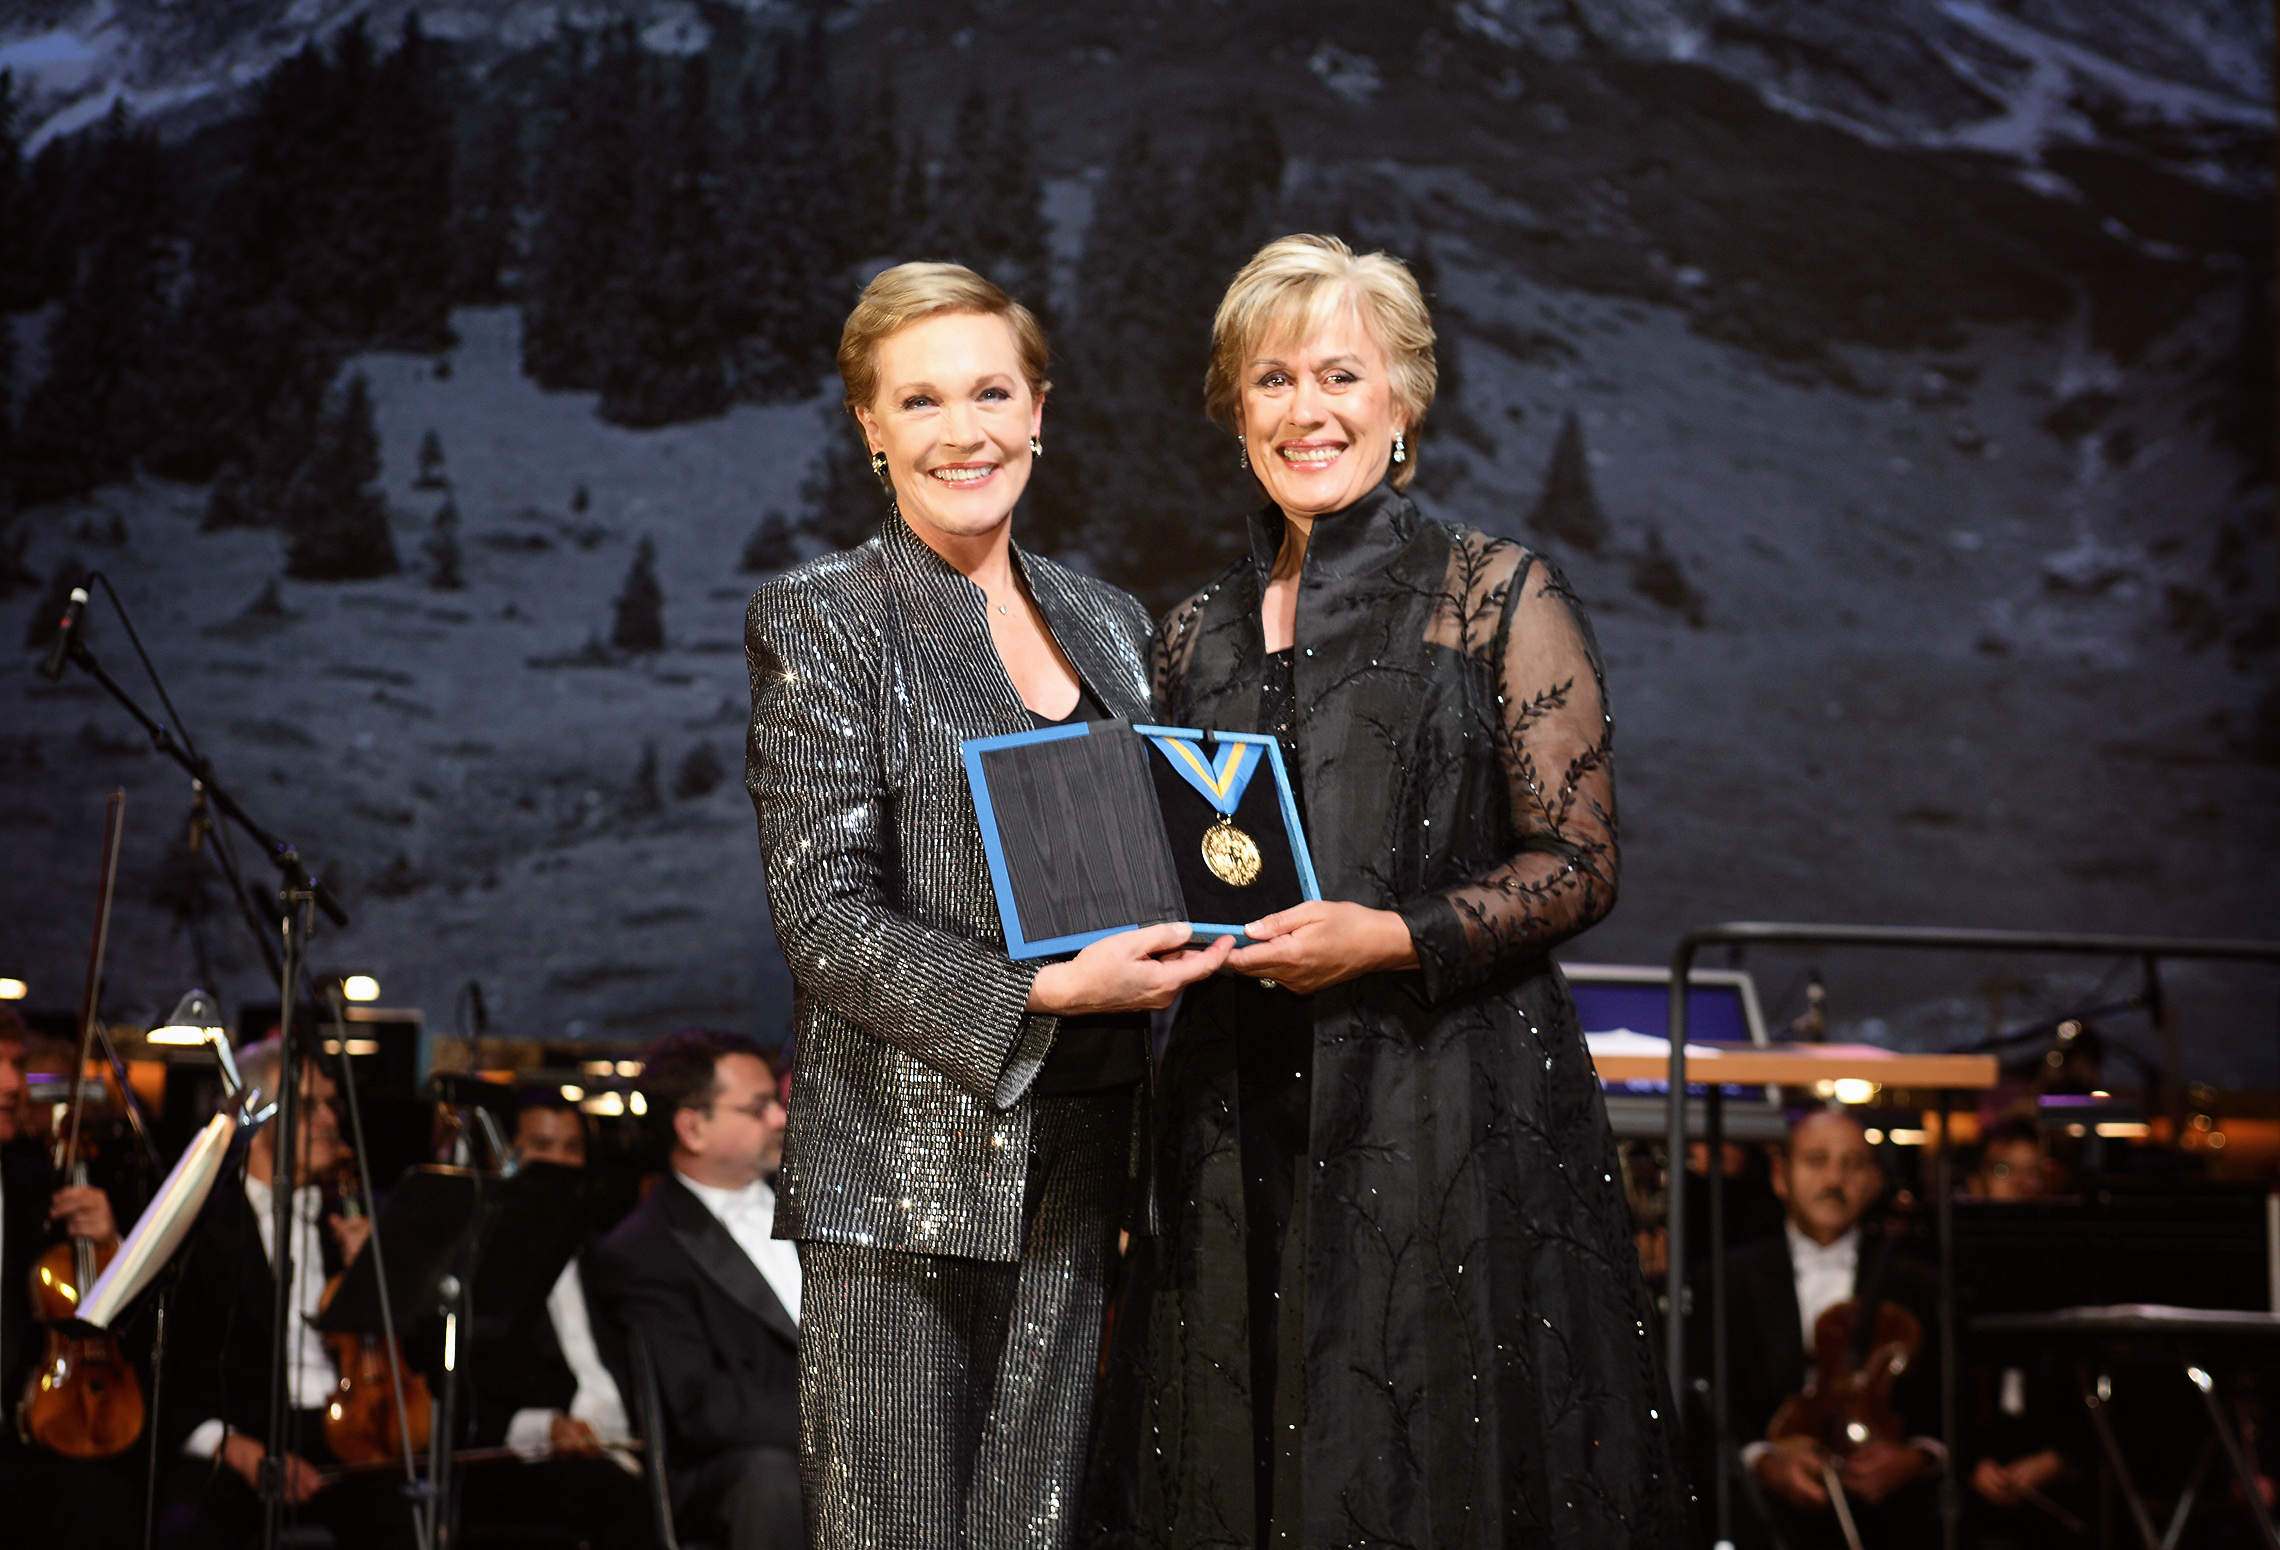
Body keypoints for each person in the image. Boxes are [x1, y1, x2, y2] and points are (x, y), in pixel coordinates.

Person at [1084, 233, 1687, 1545]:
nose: (1309, 411)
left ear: (1405, 398)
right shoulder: (1195, 631)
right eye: (1273, 378)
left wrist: (1390, 935)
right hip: (1235, 1112)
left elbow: (1581, 864)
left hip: (1442, 1111)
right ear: (1235, 407)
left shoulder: (1494, 592)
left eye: (1342, 373)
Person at [744, 260, 1232, 1547]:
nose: (962, 432)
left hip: (1087, 1161)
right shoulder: (827, 616)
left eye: (990, 392)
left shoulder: (1113, 621)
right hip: (908, 1183)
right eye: (920, 401)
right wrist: (1046, 991)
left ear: (1039, 410)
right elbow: (824, 916)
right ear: (870, 426)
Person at [154, 1036, 416, 1550]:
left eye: (330, 1104)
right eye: (307, 1106)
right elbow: (170, 1371)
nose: (328, 1120)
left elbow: (421, 1346)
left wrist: (375, 1274)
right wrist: (236, 1449)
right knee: (192, 1527)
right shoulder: (200, 1225)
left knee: (404, 1520)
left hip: (348, 1432)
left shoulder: (362, 1214)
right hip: (244, 1436)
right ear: (256, 1117)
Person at [585, 1032, 802, 1550]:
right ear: (692, 1127)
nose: (779, 1118)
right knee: (771, 1481)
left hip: (843, 1434)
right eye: (758, 1106)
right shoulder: (642, 1250)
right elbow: (704, 1407)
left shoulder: (808, 1200)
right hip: (745, 1465)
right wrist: (848, 1416)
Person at [1721, 1108, 1942, 1550]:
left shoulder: (1918, 1281)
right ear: (1781, 1176)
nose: (1834, 1179)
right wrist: (1765, 1463)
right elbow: (1718, 1408)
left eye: (1852, 1164)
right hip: (1764, 1505)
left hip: (1889, 1507)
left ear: (1874, 1182)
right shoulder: (1728, 1277)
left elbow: (1943, 1405)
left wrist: (1912, 1459)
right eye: (1816, 1160)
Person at [457, 1087, 656, 1550]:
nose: (561, 1164)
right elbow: (459, 1394)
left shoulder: (606, 1255)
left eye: (573, 1149)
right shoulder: (476, 1262)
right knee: (625, 1502)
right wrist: (544, 1427)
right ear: (502, 1155)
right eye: (542, 1147)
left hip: (625, 1450)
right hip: (526, 1465)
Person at [0, 1008, 143, 1546]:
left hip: (22, 1433)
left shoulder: (44, 1192)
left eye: (17, 1064)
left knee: (100, 1495)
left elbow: (112, 1322)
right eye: (1, 1066)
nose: (16, 1085)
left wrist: (110, 1247)